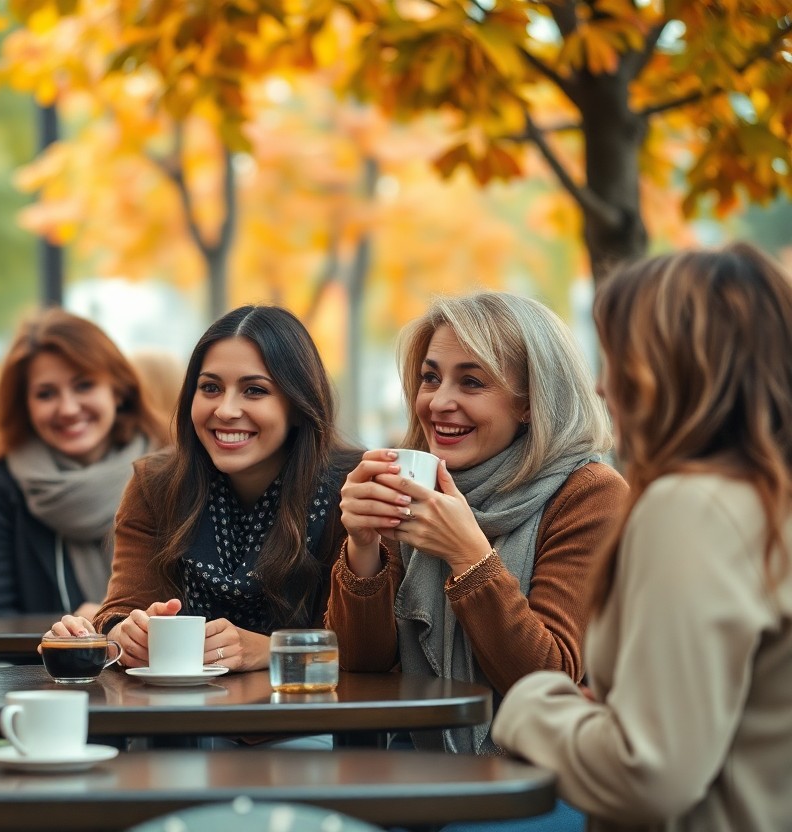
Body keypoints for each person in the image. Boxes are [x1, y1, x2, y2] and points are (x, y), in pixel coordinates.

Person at [494, 244, 792, 831]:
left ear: (684, 370)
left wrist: (531, 706)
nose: (603, 388)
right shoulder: (765, 501)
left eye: (621, 360)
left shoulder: (691, 508)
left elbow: (648, 773)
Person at [327, 291, 626, 761]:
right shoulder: (419, 480)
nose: (439, 402)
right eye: (430, 378)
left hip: (546, 773)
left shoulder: (589, 493)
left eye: (471, 382)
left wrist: (470, 558)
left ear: (530, 402)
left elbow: (550, 683)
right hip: (420, 760)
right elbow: (361, 669)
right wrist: (362, 547)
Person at [53, 304, 363, 675]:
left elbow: (369, 652)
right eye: (211, 388)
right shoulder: (157, 484)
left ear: (297, 405)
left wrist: (271, 650)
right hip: (181, 718)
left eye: (254, 390)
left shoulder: (354, 486)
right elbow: (121, 607)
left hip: (305, 719)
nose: (226, 410)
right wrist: (128, 631)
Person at [0, 308, 169, 618]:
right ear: (25, 405)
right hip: (43, 666)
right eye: (46, 393)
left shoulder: (173, 474)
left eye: (84, 386)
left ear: (118, 390)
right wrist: (81, 628)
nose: (67, 409)